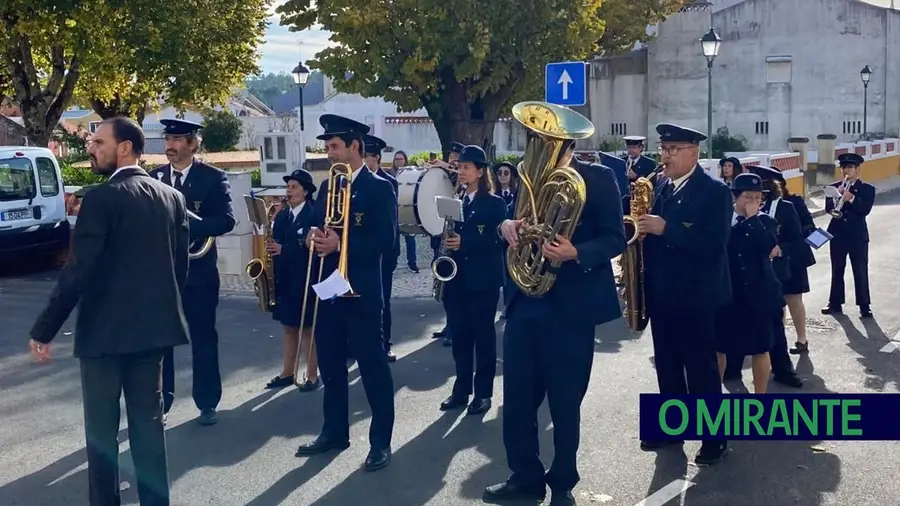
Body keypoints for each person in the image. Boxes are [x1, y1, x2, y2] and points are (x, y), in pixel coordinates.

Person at [28, 117, 189, 506]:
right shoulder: (172, 198)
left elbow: (78, 270)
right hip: (153, 332)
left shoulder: (100, 199)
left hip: (104, 336)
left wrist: (45, 329)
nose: (91, 148)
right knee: (149, 431)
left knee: (101, 434)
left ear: (126, 148)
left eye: (99, 142)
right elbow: (178, 269)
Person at [484, 133, 626, 506]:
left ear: (568, 145)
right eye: (536, 141)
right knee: (516, 400)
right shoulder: (527, 177)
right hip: (525, 300)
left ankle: (563, 479)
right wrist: (506, 228)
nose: (539, 149)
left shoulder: (597, 178)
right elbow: (516, 222)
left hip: (570, 306)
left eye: (548, 143)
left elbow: (616, 237)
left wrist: (576, 251)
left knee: (565, 401)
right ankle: (524, 476)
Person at [295, 114, 397, 472]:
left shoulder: (379, 187)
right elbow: (315, 223)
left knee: (372, 366)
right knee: (331, 364)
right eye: (326, 147)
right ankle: (334, 431)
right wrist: (312, 236)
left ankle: (380, 441)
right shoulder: (327, 187)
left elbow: (387, 240)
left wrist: (343, 247)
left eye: (334, 146)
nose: (329, 153)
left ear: (355, 146)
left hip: (363, 291)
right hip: (329, 289)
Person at [638, 123, 731, 465]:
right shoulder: (659, 186)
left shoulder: (715, 193)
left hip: (696, 297)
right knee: (667, 365)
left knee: (701, 369)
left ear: (695, 153)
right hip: (662, 294)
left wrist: (667, 229)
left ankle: (714, 437)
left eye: (674, 149)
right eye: (664, 149)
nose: (666, 155)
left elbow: (713, 245)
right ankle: (673, 427)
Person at [150, 119, 236, 426]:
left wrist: (186, 225)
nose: (169, 146)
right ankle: (162, 402)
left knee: (203, 338)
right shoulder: (155, 177)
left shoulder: (212, 178)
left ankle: (207, 401)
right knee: (161, 341)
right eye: (168, 139)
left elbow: (226, 220)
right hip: (163, 275)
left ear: (192, 144)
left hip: (199, 273)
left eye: (176, 140)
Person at [439, 145, 507, 416]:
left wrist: (466, 242)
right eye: (460, 167)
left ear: (480, 171)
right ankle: (461, 389)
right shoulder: (455, 201)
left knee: (483, 337)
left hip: (483, 280)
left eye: (467, 167)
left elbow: (498, 239)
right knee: (460, 337)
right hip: (456, 278)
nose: (461, 172)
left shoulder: (494, 203)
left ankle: (483, 393)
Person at [714, 173, 783, 394]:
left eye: (757, 197)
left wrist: (753, 220)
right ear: (736, 197)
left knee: (760, 348)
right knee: (720, 347)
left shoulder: (766, 222)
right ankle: (714, 393)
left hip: (758, 294)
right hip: (727, 293)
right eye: (748, 197)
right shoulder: (722, 220)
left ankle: (760, 396)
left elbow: (767, 247)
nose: (753, 202)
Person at [264, 169, 321, 391]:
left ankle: (312, 375)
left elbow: (312, 248)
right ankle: (288, 372)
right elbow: (276, 240)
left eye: (294, 187)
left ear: (306, 191)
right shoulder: (283, 215)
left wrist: (283, 249)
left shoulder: (314, 214)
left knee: (308, 329)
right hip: (285, 279)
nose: (289, 191)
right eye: (288, 187)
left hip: (305, 279)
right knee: (289, 327)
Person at [822, 153, 875, 318]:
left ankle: (864, 305)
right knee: (837, 269)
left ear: (857, 169)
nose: (847, 170)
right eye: (844, 167)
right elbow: (828, 208)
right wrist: (836, 198)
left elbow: (864, 210)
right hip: (838, 234)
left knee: (860, 270)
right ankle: (835, 303)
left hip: (857, 236)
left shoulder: (867, 189)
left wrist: (850, 198)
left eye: (850, 167)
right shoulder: (834, 187)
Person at [363, 133, 400, 363]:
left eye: (367, 156)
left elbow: (391, 223)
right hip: (362, 251)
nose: (364, 160)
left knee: (383, 300)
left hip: (384, 253)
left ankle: (385, 343)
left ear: (376, 158)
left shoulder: (389, 182)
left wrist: (392, 253)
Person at [432, 141, 465, 346]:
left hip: (457, 237)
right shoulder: (445, 176)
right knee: (443, 282)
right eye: (451, 156)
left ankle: (455, 328)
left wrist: (448, 167)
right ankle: (448, 324)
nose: (453, 159)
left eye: (456, 157)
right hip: (442, 234)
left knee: (455, 287)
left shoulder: (458, 176)